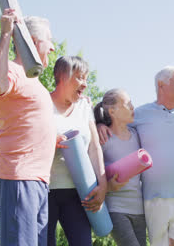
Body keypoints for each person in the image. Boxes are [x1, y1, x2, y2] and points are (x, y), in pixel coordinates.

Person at [98, 66, 174, 246]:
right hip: (151, 199)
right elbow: (114, 120)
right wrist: (99, 124)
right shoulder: (139, 114)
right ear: (161, 85)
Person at [0, 8, 56, 246]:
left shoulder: (35, 82)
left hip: (38, 181)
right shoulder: (14, 71)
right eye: (50, 40)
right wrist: (5, 34)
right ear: (34, 42)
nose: (53, 47)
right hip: (19, 178)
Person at [48, 56, 107, 246]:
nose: (85, 85)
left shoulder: (84, 106)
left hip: (78, 194)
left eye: (86, 79)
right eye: (80, 78)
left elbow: (94, 146)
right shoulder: (42, 104)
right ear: (63, 76)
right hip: (44, 191)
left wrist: (103, 184)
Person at [93, 89, 147, 246]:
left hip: (139, 208)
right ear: (112, 111)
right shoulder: (103, 137)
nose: (132, 107)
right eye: (127, 104)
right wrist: (107, 186)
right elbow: (92, 174)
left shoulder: (137, 134)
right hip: (116, 208)